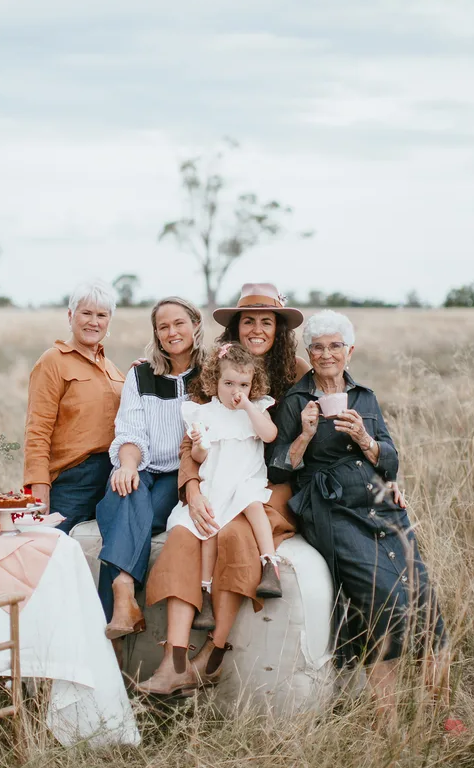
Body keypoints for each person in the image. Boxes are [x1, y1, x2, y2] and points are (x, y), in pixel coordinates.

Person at [267, 310, 447, 716]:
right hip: (332, 507)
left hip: (381, 503)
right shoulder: (296, 400)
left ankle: (440, 713)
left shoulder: (364, 396)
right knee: (384, 599)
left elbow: (391, 460)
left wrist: (366, 439)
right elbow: (276, 466)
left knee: (424, 599)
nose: (326, 354)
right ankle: (388, 719)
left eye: (335, 346)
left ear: (350, 350)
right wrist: (305, 436)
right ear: (307, 352)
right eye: (317, 347)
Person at [140, 283, 309, 696]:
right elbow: (193, 438)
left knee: (234, 535)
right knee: (185, 534)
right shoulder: (216, 371)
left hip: (270, 485)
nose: (256, 329)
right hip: (214, 478)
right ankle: (173, 661)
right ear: (234, 327)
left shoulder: (297, 372)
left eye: (265, 322)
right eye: (247, 320)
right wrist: (192, 488)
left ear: (279, 329)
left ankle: (211, 657)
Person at [96, 297, 206, 639]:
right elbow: (129, 431)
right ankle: (124, 596)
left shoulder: (211, 374)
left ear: (196, 325)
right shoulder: (141, 374)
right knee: (122, 488)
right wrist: (127, 467)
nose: (172, 332)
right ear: (156, 335)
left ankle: (120, 593)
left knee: (129, 513)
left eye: (179, 323)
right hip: (144, 466)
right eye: (163, 327)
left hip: (182, 474)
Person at [167, 343, 284, 637]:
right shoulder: (203, 413)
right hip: (217, 481)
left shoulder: (256, 408)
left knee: (252, 503)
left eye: (244, 385)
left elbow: (270, 435)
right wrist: (197, 444)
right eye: (229, 383)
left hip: (246, 479)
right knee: (210, 528)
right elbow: (199, 459)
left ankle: (270, 565)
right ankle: (205, 593)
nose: (236, 390)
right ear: (213, 382)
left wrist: (247, 405)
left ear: (252, 386)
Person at [23, 280, 124, 530]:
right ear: (70, 315)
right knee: (55, 550)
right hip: (73, 480)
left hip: (113, 477)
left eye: (101, 315)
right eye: (86, 313)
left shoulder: (112, 369)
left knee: (100, 554)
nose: (94, 321)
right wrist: (39, 487)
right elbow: (37, 430)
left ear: (109, 321)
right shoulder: (53, 361)